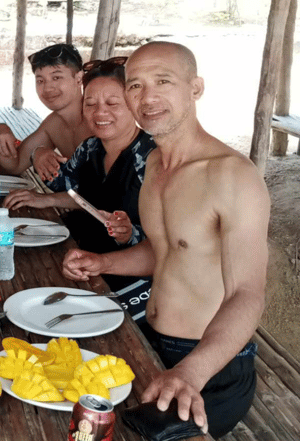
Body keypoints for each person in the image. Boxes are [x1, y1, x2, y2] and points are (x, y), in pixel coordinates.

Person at [62, 41, 268, 437]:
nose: (147, 97)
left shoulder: (232, 175)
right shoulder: (156, 162)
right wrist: (103, 263)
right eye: (135, 86)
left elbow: (247, 292)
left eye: (163, 81)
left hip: (210, 365)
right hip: (150, 340)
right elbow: (165, 251)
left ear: (196, 88)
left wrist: (192, 372)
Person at [3, 57, 155, 327]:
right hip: (85, 261)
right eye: (91, 104)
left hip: (135, 284)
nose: (100, 113)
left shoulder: (151, 159)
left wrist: (130, 232)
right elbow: (64, 185)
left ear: (134, 104)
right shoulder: (90, 148)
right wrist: (40, 155)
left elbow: (167, 246)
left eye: (112, 103)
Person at [0, 43, 92, 181]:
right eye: (40, 80)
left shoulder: (99, 120)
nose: (47, 88)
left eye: (56, 77)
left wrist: (45, 199)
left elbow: (103, 191)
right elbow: (15, 165)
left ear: (79, 78)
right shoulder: (54, 124)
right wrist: (0, 130)